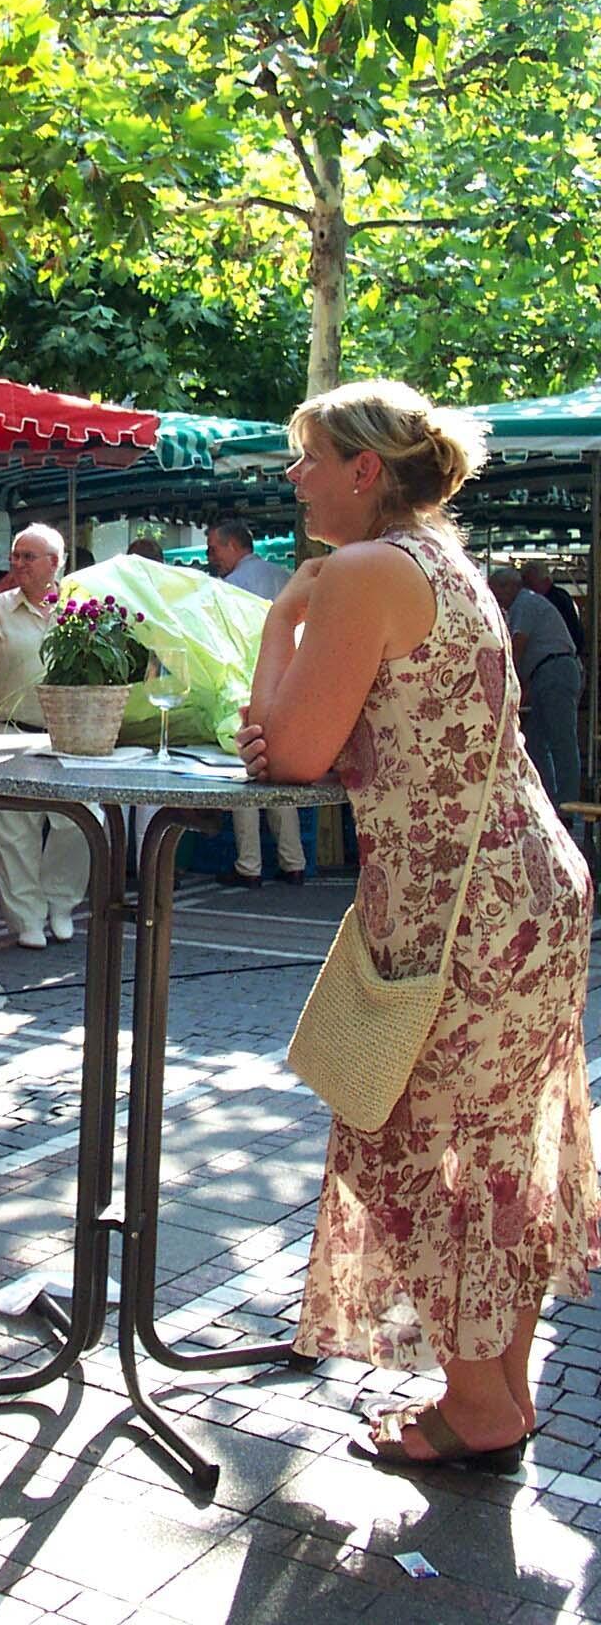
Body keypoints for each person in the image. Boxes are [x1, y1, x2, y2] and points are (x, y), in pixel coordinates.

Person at [236, 378, 600, 1472]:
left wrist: (284, 618)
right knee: (498, 1153)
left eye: (307, 456)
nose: (292, 475)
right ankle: (499, 1397)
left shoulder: (358, 574)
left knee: (411, 1154)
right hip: (520, 891)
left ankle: (481, 1408)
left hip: (459, 910)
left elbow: (287, 748)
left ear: (363, 471)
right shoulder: (445, 563)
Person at [0, 525, 90, 947]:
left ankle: (61, 902)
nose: (17, 564)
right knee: (14, 833)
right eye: (16, 556)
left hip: (65, 738)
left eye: (28, 557)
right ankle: (27, 919)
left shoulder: (80, 609)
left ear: (55, 563)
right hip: (7, 735)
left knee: (76, 822)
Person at [208, 519, 306, 888]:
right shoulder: (284, 577)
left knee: (248, 769)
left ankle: (249, 865)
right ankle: (292, 860)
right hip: (287, 682)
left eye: (213, 548)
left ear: (233, 545)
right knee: (279, 768)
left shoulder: (229, 589)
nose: (210, 557)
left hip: (245, 683)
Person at [488, 565, 582, 814]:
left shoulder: (524, 604)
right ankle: (548, 802)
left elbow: (518, 646)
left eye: (497, 593)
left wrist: (509, 685)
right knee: (536, 742)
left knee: (561, 740)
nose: (497, 600)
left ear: (510, 587)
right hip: (545, 672)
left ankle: (568, 805)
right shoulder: (523, 605)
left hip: (555, 669)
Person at [520, 558, 584, 656]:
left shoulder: (553, 601)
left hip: (558, 657)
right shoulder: (561, 595)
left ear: (546, 581)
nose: (527, 590)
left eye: (530, 585)